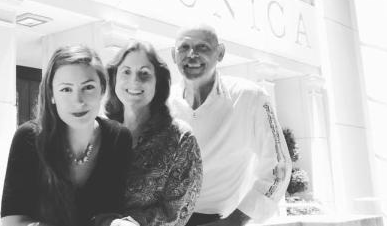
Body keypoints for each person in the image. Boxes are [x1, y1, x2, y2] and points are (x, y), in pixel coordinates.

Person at [168, 24, 292, 226]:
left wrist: (234, 221)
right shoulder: (163, 102)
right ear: (174, 55)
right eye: (184, 47)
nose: (192, 54)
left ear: (220, 53)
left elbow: (279, 167)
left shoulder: (250, 97)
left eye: (202, 47)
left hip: (218, 220)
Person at [1, 45, 132, 226]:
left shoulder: (119, 137)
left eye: (88, 87)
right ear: (51, 94)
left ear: (102, 89)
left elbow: (111, 210)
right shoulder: (28, 138)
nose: (78, 101)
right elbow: (12, 221)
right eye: (66, 89)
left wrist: (119, 223)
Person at [105, 41, 202, 226]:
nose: (134, 81)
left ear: (158, 82)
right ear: (114, 78)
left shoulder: (180, 138)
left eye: (144, 73)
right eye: (126, 71)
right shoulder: (99, 131)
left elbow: (178, 212)